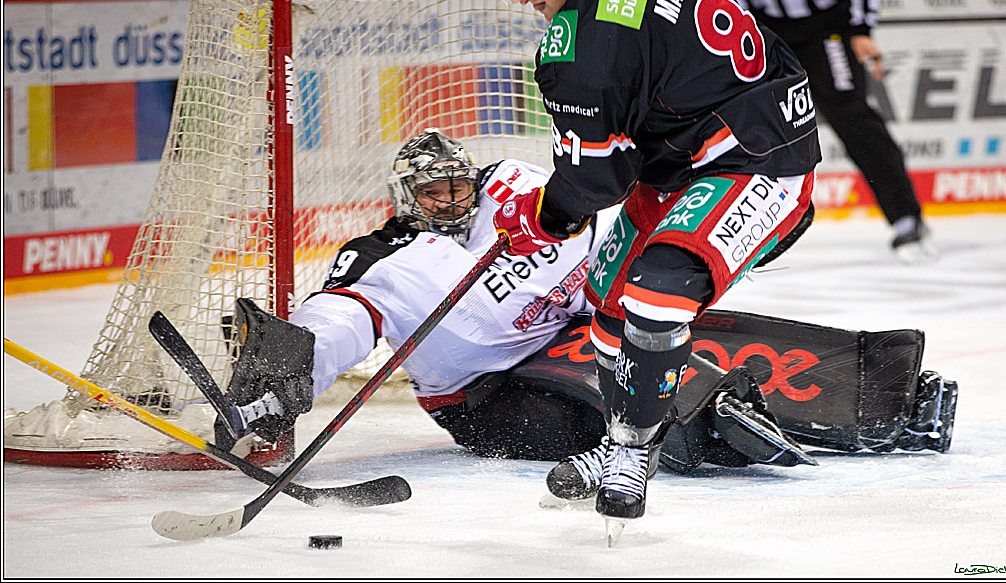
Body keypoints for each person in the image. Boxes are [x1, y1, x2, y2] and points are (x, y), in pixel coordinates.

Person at [210, 130, 956, 520]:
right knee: (638, 411)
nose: (449, 198)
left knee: (694, 334)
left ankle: (881, 393)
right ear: (405, 197)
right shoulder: (386, 256)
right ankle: (711, 431)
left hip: (576, 330)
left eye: (456, 184)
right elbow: (340, 317)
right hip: (488, 397)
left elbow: (603, 215)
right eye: (431, 191)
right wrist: (284, 377)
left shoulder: (516, 191)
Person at [483, 0, 822, 530]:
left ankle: (632, 450)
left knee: (657, 295)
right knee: (607, 303)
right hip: (685, 159)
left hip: (759, 156)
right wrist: (677, 41)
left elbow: (596, 181)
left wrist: (544, 218)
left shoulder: (576, 59)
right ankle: (623, 428)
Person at [719, 0, 938, 263]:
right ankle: (747, 232)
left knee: (853, 118)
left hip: (826, 29)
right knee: (753, 126)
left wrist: (861, 28)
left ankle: (905, 218)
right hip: (766, 32)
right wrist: (738, 31)